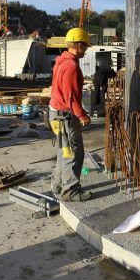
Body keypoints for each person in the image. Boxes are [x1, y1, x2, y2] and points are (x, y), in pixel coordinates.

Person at [49, 27, 93, 202]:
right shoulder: (71, 66)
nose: (86, 50)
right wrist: (82, 115)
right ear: (79, 45)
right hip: (65, 116)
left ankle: (58, 185)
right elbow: (71, 97)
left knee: (64, 151)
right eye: (86, 47)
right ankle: (71, 191)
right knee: (74, 153)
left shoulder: (60, 62)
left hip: (56, 114)